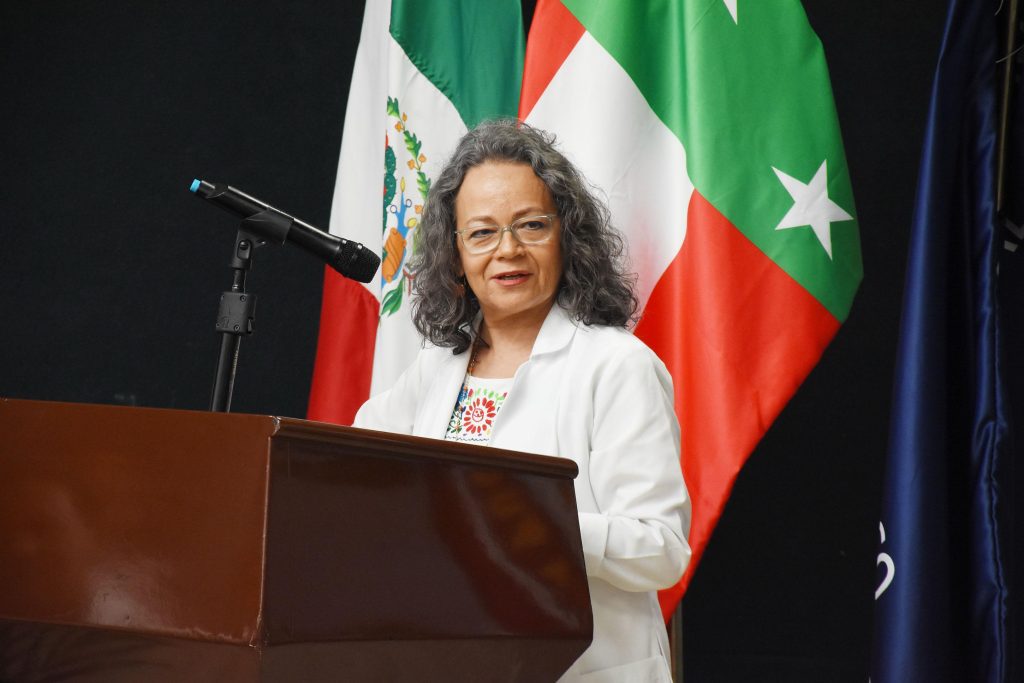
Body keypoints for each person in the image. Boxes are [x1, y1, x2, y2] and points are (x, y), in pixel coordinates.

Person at [354, 119, 691, 682]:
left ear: (568, 236)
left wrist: (535, 521)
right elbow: (355, 469)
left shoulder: (618, 366)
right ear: (455, 253)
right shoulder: (435, 369)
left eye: (532, 225)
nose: (507, 250)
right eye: (482, 233)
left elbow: (661, 549)